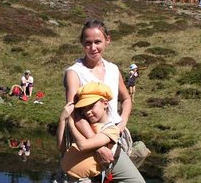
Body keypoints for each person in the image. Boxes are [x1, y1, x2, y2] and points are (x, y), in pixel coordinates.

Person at [63, 19, 145, 182]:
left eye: (98, 42)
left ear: (108, 40)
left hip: (112, 141)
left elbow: (126, 99)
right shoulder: (74, 72)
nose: (93, 48)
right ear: (82, 43)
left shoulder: (113, 69)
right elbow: (75, 113)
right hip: (86, 142)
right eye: (88, 43)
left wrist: (123, 122)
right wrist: (98, 146)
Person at [57, 82, 120, 182]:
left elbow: (83, 145)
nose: (87, 112)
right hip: (63, 177)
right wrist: (62, 119)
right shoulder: (83, 124)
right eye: (84, 108)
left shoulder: (111, 129)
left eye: (91, 106)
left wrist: (71, 123)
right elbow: (61, 147)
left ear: (105, 103)